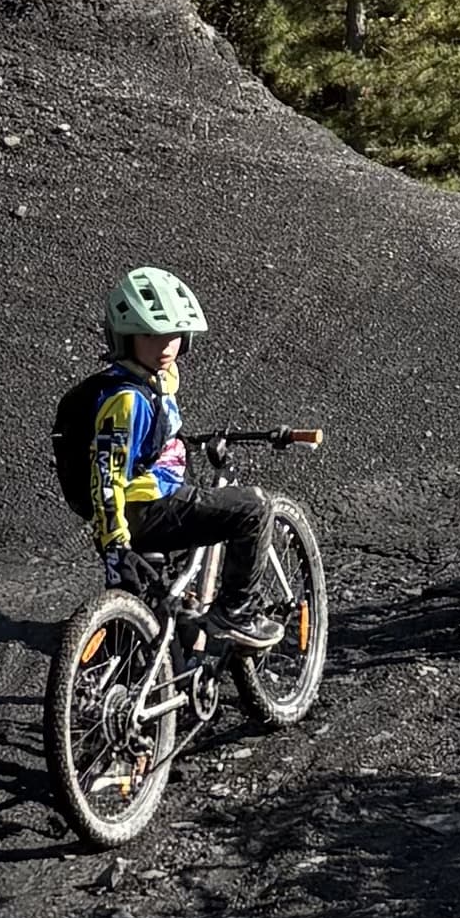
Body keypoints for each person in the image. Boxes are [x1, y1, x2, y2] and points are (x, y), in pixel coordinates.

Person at [53, 265, 286, 643]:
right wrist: (117, 549)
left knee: (153, 622)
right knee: (255, 509)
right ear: (125, 338)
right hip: (141, 514)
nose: (164, 347)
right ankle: (236, 613)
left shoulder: (146, 380)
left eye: (173, 335)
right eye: (149, 335)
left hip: (136, 513)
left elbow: (148, 442)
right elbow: (106, 477)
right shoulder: (127, 400)